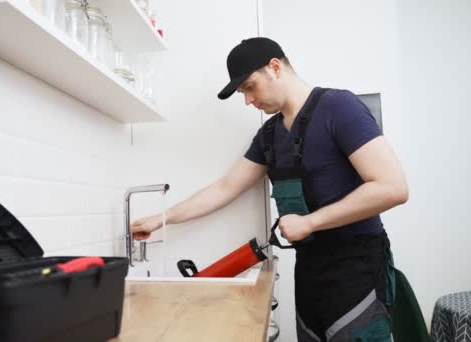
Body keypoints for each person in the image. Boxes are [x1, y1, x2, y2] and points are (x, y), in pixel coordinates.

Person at [130, 37, 408, 342]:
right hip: (309, 271)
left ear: (275, 67)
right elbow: (224, 189)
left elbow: (392, 187)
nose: (248, 100)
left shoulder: (340, 108)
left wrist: (309, 222)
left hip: (358, 269)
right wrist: (161, 218)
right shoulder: (270, 135)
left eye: (249, 87)